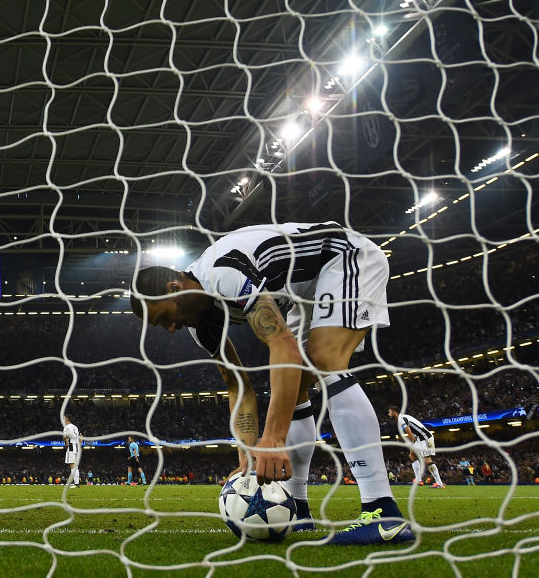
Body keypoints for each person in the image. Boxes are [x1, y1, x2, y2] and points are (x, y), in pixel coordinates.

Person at [130, 221, 413, 545]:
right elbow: (239, 387)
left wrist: (273, 438)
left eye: (164, 317)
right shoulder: (201, 327)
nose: (169, 328)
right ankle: (297, 508)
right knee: (294, 387)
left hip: (345, 257)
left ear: (173, 289)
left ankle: (383, 512)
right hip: (302, 292)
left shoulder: (223, 273)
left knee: (324, 360)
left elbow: (283, 347)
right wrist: (247, 456)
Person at [388, 407, 443, 488]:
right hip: (419, 438)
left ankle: (439, 483)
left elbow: (409, 431)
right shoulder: (403, 417)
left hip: (425, 438)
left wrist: (411, 443)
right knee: (412, 455)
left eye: (389, 412)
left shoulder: (401, 418)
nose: (388, 414)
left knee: (427, 459)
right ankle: (419, 480)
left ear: (394, 412)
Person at [63, 415, 81, 488]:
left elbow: (64, 437)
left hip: (71, 446)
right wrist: (79, 444)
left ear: (66, 420)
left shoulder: (67, 427)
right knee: (74, 465)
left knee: (72, 465)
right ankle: (76, 483)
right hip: (76, 447)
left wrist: (66, 443)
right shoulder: (75, 427)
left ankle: (76, 484)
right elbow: (80, 436)